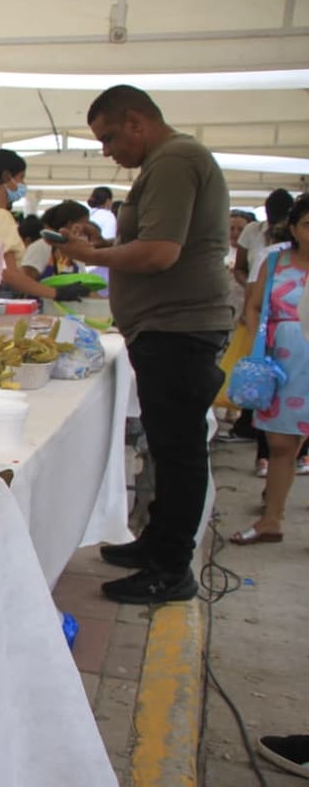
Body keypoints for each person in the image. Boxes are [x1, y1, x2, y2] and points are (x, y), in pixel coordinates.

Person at [55, 84, 233, 603]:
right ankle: (158, 544)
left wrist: (95, 255)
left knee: (177, 452)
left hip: (179, 329)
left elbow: (158, 252)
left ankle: (171, 568)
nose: (108, 152)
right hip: (169, 329)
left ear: (136, 121)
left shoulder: (175, 159)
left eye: (109, 138)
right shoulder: (169, 161)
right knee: (168, 445)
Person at [230, 194, 309, 545]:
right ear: (293, 227)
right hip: (282, 363)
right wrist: (260, 344)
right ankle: (271, 520)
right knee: (280, 444)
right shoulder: (274, 261)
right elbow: (254, 305)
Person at [0, 150, 92, 304]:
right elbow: (8, 274)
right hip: (1, 295)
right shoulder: (0, 215)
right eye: (21, 178)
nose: (23, 185)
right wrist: (56, 293)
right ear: (7, 177)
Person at [18, 201, 100, 291]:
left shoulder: (74, 250)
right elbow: (25, 279)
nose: (86, 229)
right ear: (70, 224)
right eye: (85, 223)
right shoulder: (43, 246)